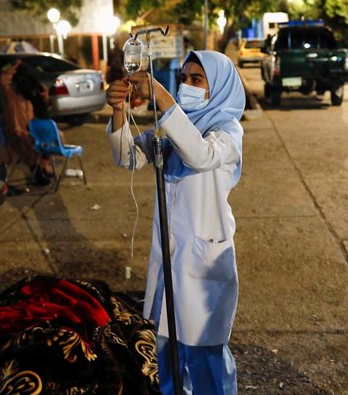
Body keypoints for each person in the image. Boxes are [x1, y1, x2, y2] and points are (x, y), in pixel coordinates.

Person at [105, 50, 244, 394]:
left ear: (220, 88)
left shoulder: (226, 132)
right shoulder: (174, 128)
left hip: (205, 258)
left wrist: (164, 99)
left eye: (197, 80)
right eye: (183, 79)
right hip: (169, 255)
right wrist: (119, 111)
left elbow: (200, 155)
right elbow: (129, 158)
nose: (187, 86)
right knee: (165, 348)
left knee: (205, 351)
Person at [0, 59, 55, 185]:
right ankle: (39, 170)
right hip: (16, 133)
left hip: (28, 131)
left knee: (49, 138)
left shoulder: (28, 97)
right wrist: (14, 66)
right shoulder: (10, 93)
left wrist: (44, 97)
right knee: (33, 144)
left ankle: (42, 168)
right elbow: (3, 79)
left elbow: (43, 111)